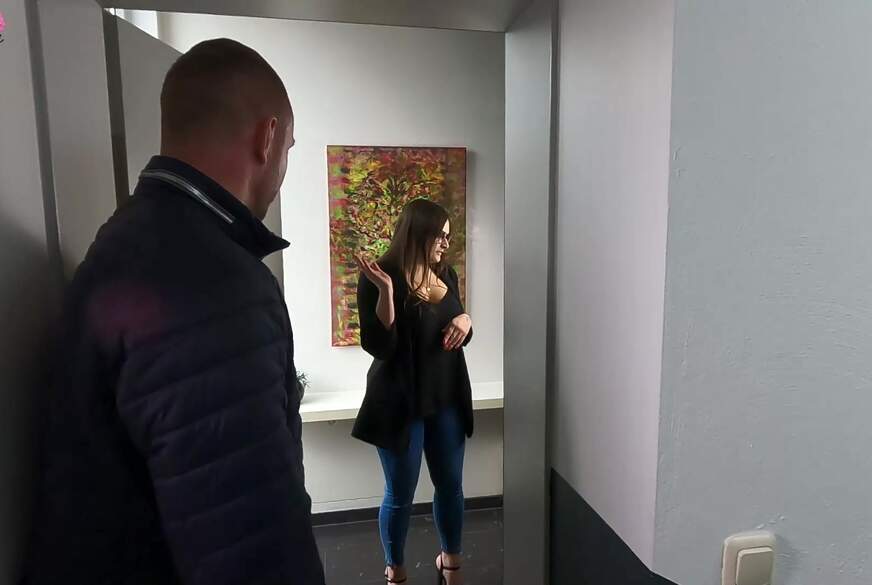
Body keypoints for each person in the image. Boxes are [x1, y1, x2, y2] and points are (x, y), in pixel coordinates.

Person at [23, 39, 325, 585]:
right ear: (267, 138)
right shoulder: (216, 287)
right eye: (289, 148)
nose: (283, 167)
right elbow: (250, 549)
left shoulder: (129, 238)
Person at [353, 199, 475, 585]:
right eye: (439, 236)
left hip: (446, 397)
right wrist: (386, 293)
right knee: (400, 494)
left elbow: (458, 328)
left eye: (448, 237)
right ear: (418, 232)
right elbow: (380, 347)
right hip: (399, 403)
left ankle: (450, 563)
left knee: (451, 486)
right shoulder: (379, 275)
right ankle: (396, 571)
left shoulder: (446, 273)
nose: (445, 243)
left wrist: (465, 318)